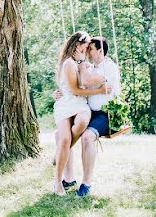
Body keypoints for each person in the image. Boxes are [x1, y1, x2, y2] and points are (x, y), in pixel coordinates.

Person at [54, 36, 123, 197]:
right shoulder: (90, 66)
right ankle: (69, 178)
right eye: (86, 49)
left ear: (100, 51)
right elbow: (75, 85)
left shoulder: (109, 68)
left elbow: (85, 80)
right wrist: (60, 93)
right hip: (89, 111)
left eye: (90, 49)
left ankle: (86, 183)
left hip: (105, 114)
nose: (87, 52)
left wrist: (82, 65)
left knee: (86, 137)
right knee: (61, 135)